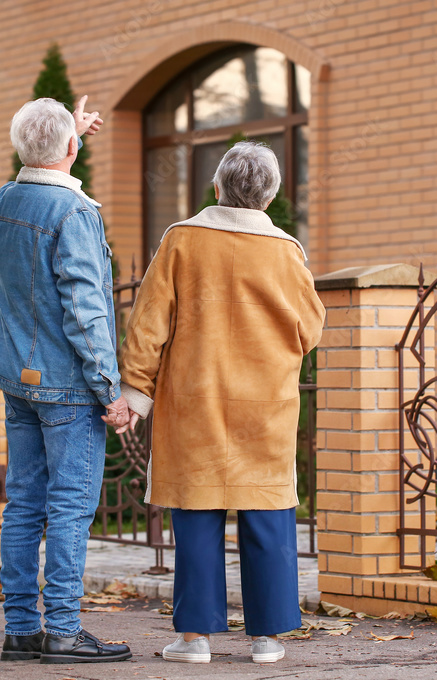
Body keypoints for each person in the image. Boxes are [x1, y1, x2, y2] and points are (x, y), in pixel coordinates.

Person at [117, 141, 325, 665]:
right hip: (266, 405)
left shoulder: (181, 241)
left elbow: (148, 325)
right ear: (271, 195)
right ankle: (268, 640)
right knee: (269, 517)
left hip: (195, 400)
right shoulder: (286, 251)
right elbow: (309, 329)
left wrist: (134, 394)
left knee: (195, 515)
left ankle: (195, 640)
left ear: (216, 187)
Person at [0, 96, 132, 665]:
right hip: (69, 385)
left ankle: (22, 630)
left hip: (20, 380)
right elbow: (84, 308)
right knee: (70, 507)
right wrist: (111, 388)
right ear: (71, 149)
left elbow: (40, 171)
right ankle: (66, 632)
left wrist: (65, 134)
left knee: (23, 503)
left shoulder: (6, 200)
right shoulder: (76, 214)